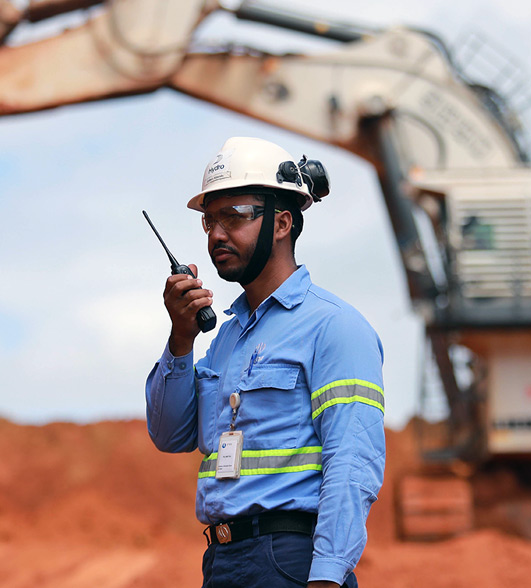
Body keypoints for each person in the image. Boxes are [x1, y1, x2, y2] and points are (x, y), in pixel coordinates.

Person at [145, 137, 386, 588]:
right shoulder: (225, 338)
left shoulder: (335, 328)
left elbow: (352, 462)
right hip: (222, 561)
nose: (217, 234)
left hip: (291, 564)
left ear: (281, 223)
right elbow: (169, 434)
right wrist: (181, 339)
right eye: (209, 220)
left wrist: (328, 576)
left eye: (234, 216)